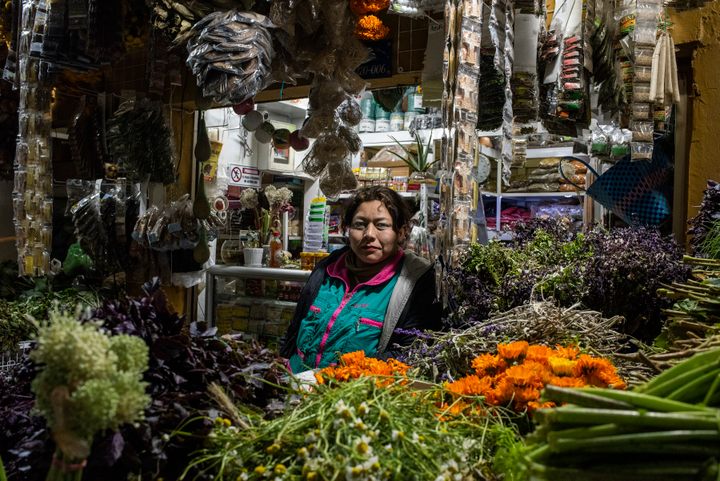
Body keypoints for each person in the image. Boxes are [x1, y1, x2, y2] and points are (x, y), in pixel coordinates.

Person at [281, 186, 442, 373]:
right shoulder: (327, 268)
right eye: (359, 224)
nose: (369, 235)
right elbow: (295, 329)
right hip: (295, 386)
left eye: (381, 225)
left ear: (401, 231)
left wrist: (342, 377)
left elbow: (409, 353)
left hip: (354, 394)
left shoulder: (415, 281)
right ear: (348, 229)